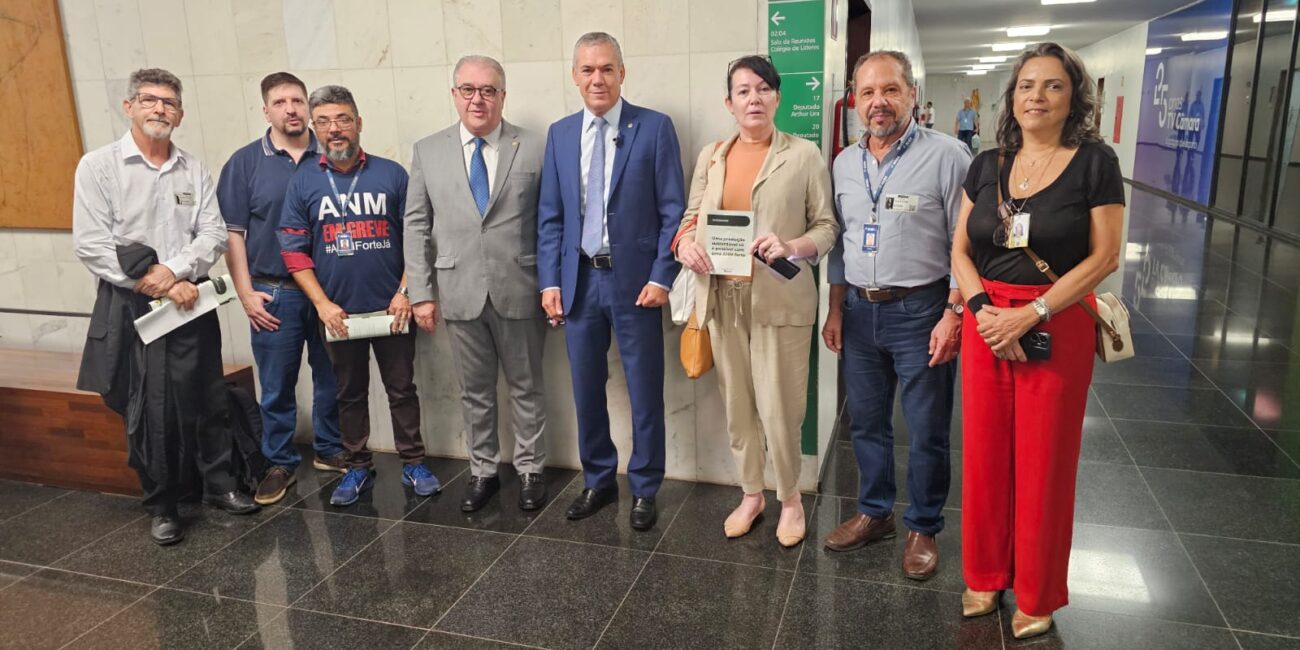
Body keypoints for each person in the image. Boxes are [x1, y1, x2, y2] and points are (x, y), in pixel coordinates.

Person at [951, 43, 1123, 639]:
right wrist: (980, 312)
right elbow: (960, 251)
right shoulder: (987, 163)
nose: (1037, 97)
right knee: (984, 454)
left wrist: (1030, 314)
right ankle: (984, 572)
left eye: (1052, 86)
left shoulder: (1094, 163)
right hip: (985, 322)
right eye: (1026, 85)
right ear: (1012, 96)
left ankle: (1037, 590)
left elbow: (1105, 257)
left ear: (1073, 96)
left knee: (1045, 463)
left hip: (1056, 320)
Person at [73, 68, 259, 546]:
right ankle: (164, 504)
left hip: (191, 300)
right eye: (150, 100)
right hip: (132, 305)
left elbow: (214, 233)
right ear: (129, 106)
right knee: (150, 410)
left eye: (169, 103)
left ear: (180, 113)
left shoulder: (191, 169)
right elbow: (93, 244)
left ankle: (219, 485)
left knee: (208, 397)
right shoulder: (98, 167)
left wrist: (174, 272)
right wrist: (151, 282)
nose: (160, 109)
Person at [674, 56, 838, 547]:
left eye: (763, 89)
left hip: (780, 300)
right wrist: (685, 245)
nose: (754, 99)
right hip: (723, 300)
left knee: (781, 409)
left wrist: (791, 247)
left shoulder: (804, 155)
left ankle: (790, 499)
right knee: (739, 409)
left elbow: (827, 228)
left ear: (777, 98)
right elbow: (688, 218)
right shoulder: (712, 156)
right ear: (729, 102)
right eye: (743, 91)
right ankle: (751, 494)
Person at [819, 51, 969, 578]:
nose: (878, 102)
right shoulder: (842, 162)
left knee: (926, 428)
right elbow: (839, 245)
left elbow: (964, 243)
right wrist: (836, 308)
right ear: (854, 100)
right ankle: (874, 512)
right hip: (860, 311)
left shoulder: (949, 156)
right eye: (867, 92)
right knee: (865, 421)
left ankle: (923, 526)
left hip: (923, 309)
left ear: (911, 94)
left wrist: (954, 312)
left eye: (890, 90)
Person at [537, 32, 685, 531]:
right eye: (587, 70)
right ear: (575, 76)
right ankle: (598, 479)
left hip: (638, 286)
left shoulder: (655, 128)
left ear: (622, 72)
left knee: (645, 393)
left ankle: (644, 487)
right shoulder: (559, 134)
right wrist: (550, 281)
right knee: (585, 390)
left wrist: (663, 276)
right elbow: (551, 217)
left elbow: (673, 212)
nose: (597, 78)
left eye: (606, 68)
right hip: (579, 284)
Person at [278, 85, 441, 507]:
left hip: (394, 309)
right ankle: (356, 467)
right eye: (326, 121)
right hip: (338, 314)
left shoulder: (391, 174)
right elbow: (293, 252)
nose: (336, 129)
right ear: (315, 128)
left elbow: (417, 237)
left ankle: (413, 463)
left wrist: (406, 291)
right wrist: (321, 303)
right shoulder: (303, 182)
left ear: (359, 123)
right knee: (347, 393)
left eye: (344, 119)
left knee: (402, 389)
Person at [404, 55, 550, 513]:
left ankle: (530, 469)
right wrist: (421, 293)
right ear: (454, 95)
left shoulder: (534, 146)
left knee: (526, 386)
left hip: (521, 286)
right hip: (458, 289)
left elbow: (552, 222)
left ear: (503, 96)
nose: (478, 99)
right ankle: (483, 471)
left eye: (488, 90)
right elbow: (415, 225)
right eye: (468, 89)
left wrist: (553, 286)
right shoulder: (428, 150)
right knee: (475, 391)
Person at [217, 72, 347, 507]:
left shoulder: (331, 153)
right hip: (274, 292)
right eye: (280, 102)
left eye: (297, 100)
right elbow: (233, 234)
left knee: (332, 375)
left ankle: (330, 448)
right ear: (266, 110)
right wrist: (245, 291)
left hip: (328, 290)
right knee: (276, 385)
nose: (290, 109)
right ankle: (279, 462)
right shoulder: (244, 163)